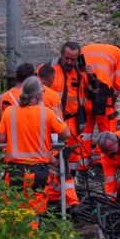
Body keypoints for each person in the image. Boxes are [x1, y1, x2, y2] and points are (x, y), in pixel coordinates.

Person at [0, 76, 70, 215]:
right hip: (38, 171)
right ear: (38, 95)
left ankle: (13, 235)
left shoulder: (10, 111)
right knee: (33, 214)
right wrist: (58, 115)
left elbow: (0, 138)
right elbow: (66, 134)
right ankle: (31, 236)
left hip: (14, 171)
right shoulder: (46, 113)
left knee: (11, 212)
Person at [38, 42, 90, 172]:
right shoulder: (48, 68)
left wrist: (91, 76)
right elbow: (32, 88)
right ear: (61, 54)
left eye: (73, 59)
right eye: (66, 58)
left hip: (72, 121)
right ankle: (50, 184)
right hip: (51, 120)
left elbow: (93, 92)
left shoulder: (80, 72)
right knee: (51, 152)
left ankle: (69, 182)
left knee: (72, 155)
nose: (69, 62)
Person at [38, 64, 80, 209]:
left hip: (33, 146)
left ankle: (49, 201)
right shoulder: (52, 96)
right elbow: (60, 126)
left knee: (45, 177)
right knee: (63, 174)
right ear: (50, 79)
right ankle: (71, 202)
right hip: (51, 144)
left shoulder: (22, 95)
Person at [79, 43, 120, 166]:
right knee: (107, 128)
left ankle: (82, 161)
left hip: (85, 93)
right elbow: (118, 83)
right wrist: (112, 101)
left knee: (85, 129)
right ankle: (101, 160)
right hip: (103, 93)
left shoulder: (86, 48)